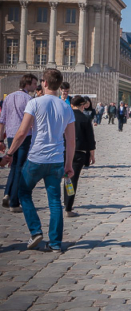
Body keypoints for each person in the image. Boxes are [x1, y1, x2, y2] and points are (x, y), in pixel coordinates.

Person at [0, 69, 75, 252]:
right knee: (55, 202)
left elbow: (22, 132)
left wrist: (9, 153)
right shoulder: (66, 107)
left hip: (36, 158)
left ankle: (35, 231)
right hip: (56, 160)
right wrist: (69, 164)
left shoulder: (34, 103)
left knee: (23, 192)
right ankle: (56, 243)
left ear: (45, 83)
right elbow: (71, 140)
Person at [0, 73, 38, 213]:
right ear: (27, 84)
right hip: (24, 136)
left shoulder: (8, 97)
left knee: (14, 165)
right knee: (20, 168)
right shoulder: (29, 99)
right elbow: (32, 122)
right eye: (34, 84)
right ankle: (14, 202)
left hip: (10, 135)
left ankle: (7, 193)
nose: (35, 86)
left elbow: (2, 121)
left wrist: (0, 140)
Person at [65, 95, 96, 218]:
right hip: (79, 152)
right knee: (73, 179)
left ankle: (65, 202)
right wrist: (91, 155)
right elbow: (90, 139)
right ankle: (68, 207)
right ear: (82, 105)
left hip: (65, 151)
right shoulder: (84, 118)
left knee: (66, 178)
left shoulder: (66, 116)